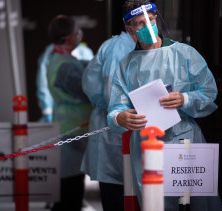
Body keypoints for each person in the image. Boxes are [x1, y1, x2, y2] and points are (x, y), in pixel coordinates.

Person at [107, 1, 222, 210]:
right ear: (130, 30)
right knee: (155, 203)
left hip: (185, 140)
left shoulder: (184, 53)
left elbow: (208, 93)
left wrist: (185, 99)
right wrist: (120, 118)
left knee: (198, 203)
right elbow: (116, 106)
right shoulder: (126, 65)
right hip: (147, 146)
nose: (148, 26)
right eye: (140, 23)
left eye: (151, 20)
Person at [80, 9, 137, 211]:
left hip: (122, 126)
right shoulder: (119, 48)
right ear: (130, 25)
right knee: (116, 190)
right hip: (113, 126)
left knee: (125, 187)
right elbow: (112, 92)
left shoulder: (133, 46)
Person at [46, 14, 93, 211]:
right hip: (72, 133)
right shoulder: (64, 66)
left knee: (71, 189)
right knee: (70, 195)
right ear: (68, 38)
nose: (79, 35)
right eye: (76, 33)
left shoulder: (62, 59)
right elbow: (86, 89)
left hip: (71, 132)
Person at [36, 41, 94, 123]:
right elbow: (43, 83)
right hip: (69, 122)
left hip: (82, 122)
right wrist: (47, 109)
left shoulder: (84, 51)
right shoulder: (52, 54)